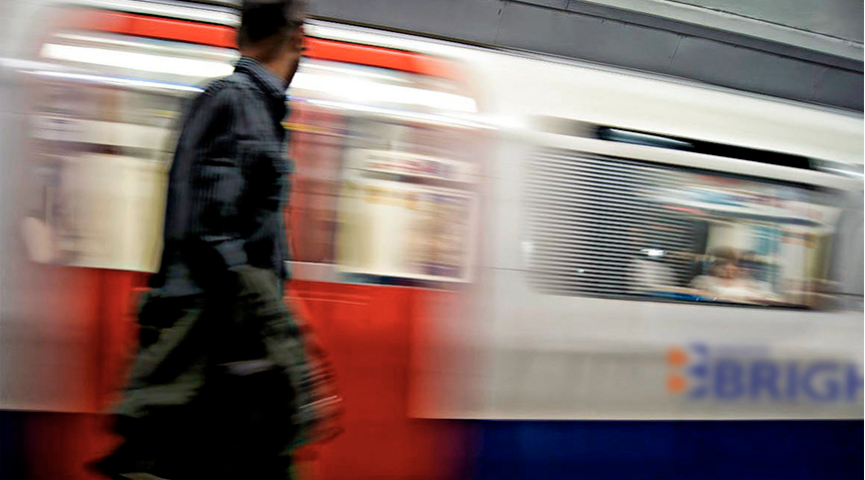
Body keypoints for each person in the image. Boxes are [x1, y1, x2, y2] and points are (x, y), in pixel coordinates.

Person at [93, 1, 342, 478]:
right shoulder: (235, 102)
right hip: (211, 345)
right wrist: (285, 336)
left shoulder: (253, 108)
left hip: (223, 341)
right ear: (297, 36)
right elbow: (214, 238)